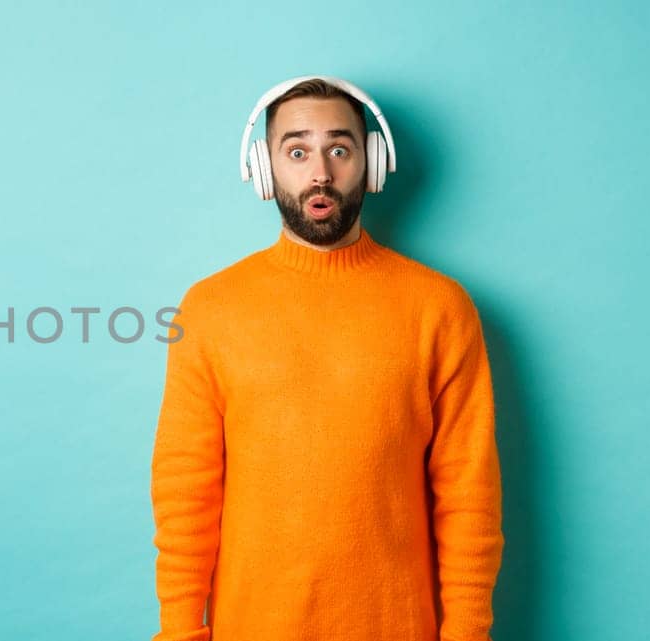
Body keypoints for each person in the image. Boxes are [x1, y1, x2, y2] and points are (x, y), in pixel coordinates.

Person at [149, 76, 505, 641]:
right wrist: (178, 631)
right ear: (264, 168)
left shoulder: (440, 307)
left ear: (373, 163)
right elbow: (185, 490)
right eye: (296, 151)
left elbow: (468, 494)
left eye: (339, 149)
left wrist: (467, 633)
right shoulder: (211, 307)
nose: (319, 172)